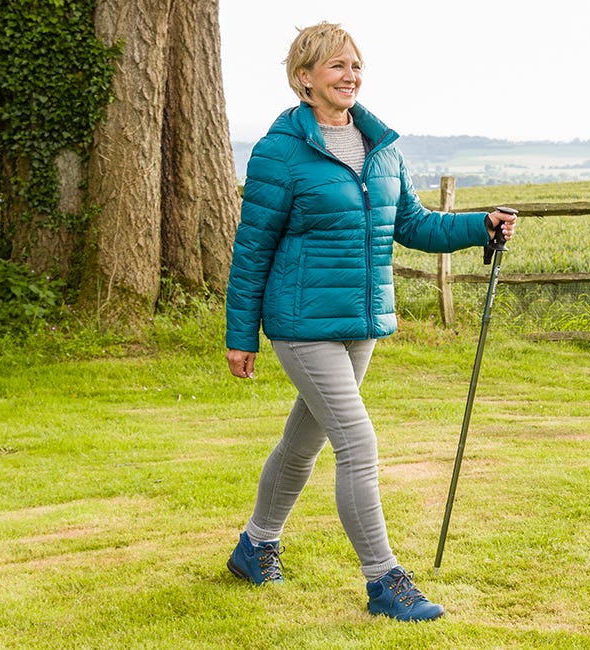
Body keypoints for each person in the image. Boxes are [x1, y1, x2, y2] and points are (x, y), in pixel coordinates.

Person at [224, 21, 516, 622]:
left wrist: (477, 225)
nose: (351, 76)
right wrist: (239, 336)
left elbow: (412, 224)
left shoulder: (381, 147)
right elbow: (251, 249)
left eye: (356, 66)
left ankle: (255, 545)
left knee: (303, 442)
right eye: (337, 66)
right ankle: (384, 581)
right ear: (305, 77)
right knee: (357, 443)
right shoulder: (281, 151)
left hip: (361, 323)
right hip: (302, 324)